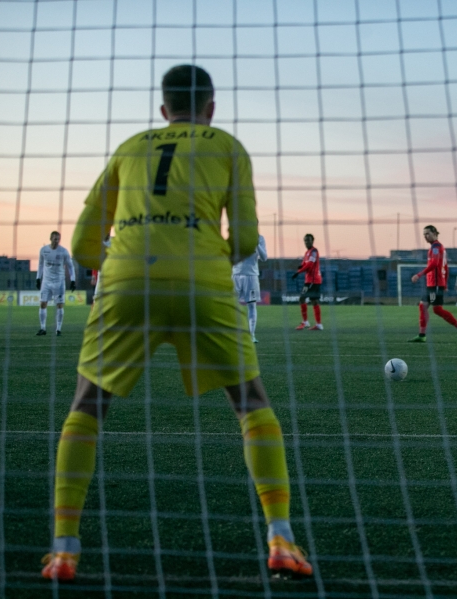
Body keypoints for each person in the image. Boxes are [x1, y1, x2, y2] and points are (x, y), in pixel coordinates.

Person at [41, 65, 312, 582]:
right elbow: (245, 240)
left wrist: (123, 261)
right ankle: (280, 538)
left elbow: (80, 246)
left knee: (87, 405)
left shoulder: (130, 147)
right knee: (251, 403)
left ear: (164, 110)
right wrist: (202, 256)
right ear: (211, 108)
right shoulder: (228, 147)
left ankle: (64, 550)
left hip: (126, 279)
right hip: (201, 280)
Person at [409, 225, 457, 343]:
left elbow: (435, 264)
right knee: (423, 306)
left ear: (435, 233)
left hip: (435, 285)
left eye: (428, 233)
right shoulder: (437, 247)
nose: (425, 236)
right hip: (432, 284)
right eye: (424, 234)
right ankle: (422, 335)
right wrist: (445, 284)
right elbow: (445, 267)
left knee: (437, 309)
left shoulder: (436, 247)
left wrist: (419, 274)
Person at [36, 231, 76, 336]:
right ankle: (43, 328)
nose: (56, 241)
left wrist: (73, 280)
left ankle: (58, 329)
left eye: (58, 239)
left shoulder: (64, 251)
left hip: (59, 282)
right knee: (43, 304)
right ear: (51, 238)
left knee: (59, 305)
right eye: (55, 239)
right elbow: (40, 265)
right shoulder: (43, 250)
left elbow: (70, 266)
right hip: (46, 282)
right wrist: (38, 278)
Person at [232, 234, 268, 342]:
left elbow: (264, 258)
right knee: (232, 305)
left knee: (252, 305)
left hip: (251, 276)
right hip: (235, 275)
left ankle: (251, 335)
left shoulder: (260, 238)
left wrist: (256, 244)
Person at [292, 234, 323, 330]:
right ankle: (318, 325)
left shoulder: (314, 251)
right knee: (314, 301)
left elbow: (310, 264)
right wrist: (301, 267)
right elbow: (305, 263)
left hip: (312, 281)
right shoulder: (307, 252)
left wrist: (298, 272)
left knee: (302, 298)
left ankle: (305, 322)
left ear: (312, 241)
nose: (306, 242)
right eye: (305, 240)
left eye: (308, 240)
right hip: (313, 280)